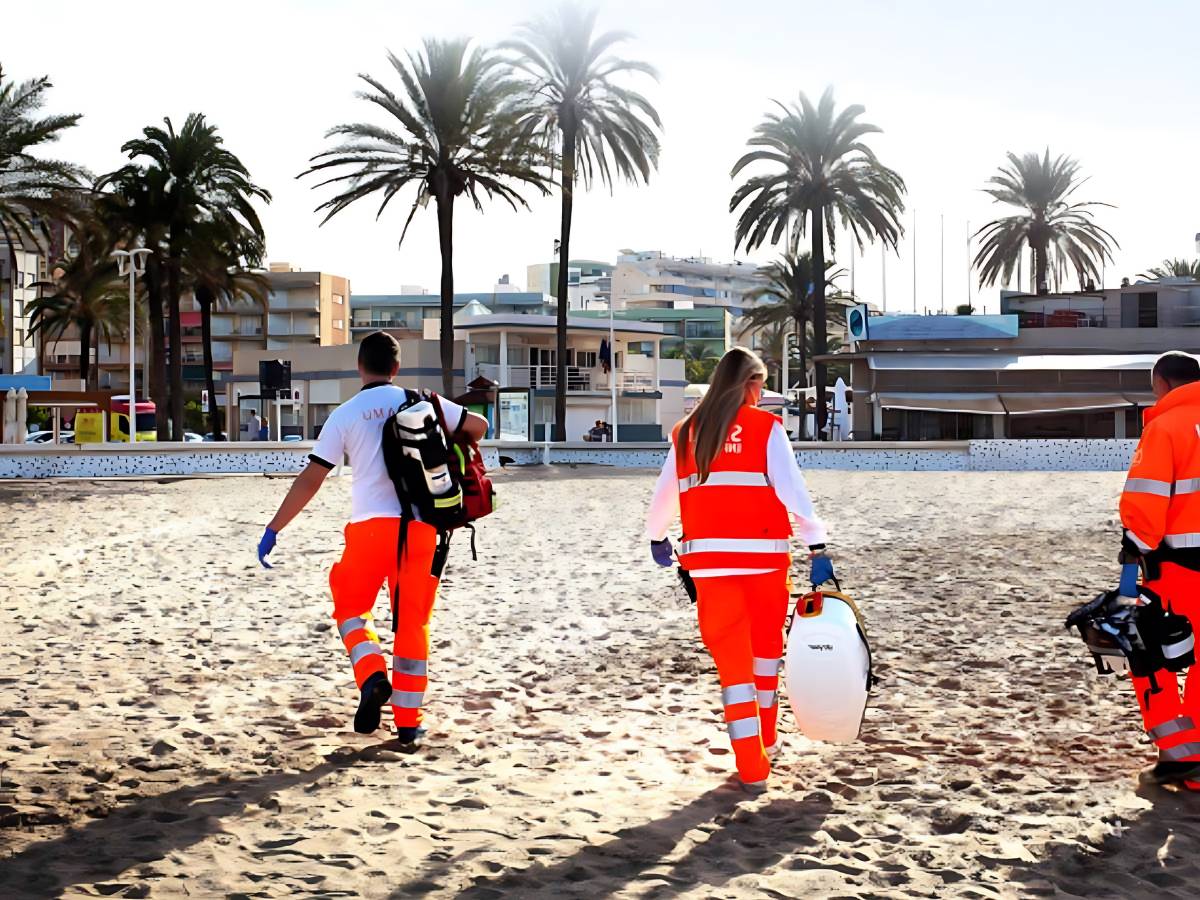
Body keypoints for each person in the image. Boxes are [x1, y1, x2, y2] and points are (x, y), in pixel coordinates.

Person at [256, 331, 488, 749]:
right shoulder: (422, 401)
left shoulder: (345, 414)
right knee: (412, 623)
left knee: (351, 610)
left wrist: (275, 528)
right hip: (420, 528)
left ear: (359, 366)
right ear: (397, 368)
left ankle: (372, 676)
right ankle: (408, 724)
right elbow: (479, 426)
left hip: (368, 528)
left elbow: (312, 478)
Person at [645, 347, 829, 792]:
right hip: (764, 562)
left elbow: (665, 495)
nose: (762, 393)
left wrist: (656, 537)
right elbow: (792, 491)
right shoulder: (766, 428)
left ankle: (751, 766)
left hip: (709, 567)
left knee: (733, 670)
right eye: (759, 383)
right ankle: (767, 737)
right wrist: (816, 545)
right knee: (766, 655)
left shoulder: (687, 432)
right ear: (747, 383)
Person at [1118, 350, 1200, 790]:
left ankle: (1181, 753)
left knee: (1149, 650)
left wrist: (1134, 547)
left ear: (1163, 384)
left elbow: (1147, 500)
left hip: (1182, 571)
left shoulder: (1165, 427)